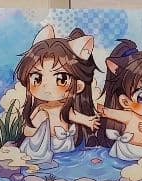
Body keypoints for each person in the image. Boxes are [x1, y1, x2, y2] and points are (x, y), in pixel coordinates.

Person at [13, 24, 99, 165]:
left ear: (78, 86)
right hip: (46, 148)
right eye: (37, 78)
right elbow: (28, 131)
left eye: (61, 79)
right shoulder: (41, 110)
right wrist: (34, 125)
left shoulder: (65, 108)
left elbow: (74, 116)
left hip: (66, 148)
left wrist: (88, 121)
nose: (46, 87)